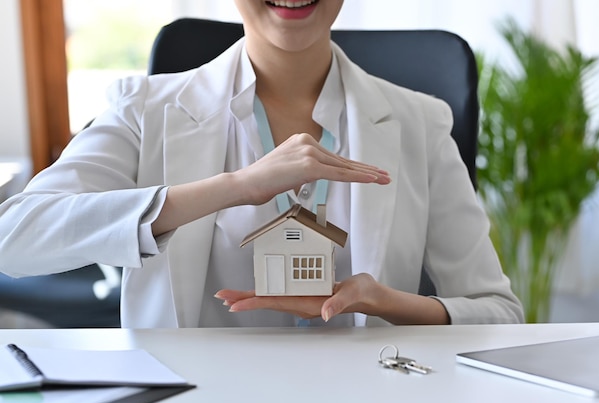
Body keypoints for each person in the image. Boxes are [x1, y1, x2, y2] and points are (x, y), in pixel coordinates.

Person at [0, 0, 524, 328]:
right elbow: (15, 239)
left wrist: (383, 301)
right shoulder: (143, 109)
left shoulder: (421, 123)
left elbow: (499, 312)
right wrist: (236, 186)